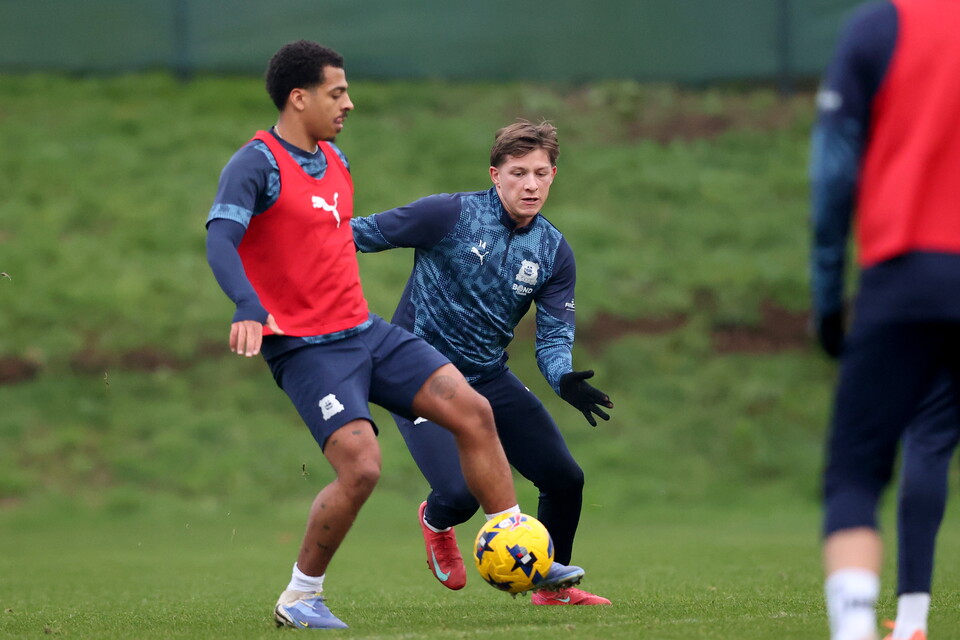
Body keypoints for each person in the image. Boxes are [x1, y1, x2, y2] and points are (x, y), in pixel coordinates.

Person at [204, 40, 525, 629]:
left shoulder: (336, 160)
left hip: (365, 332)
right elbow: (221, 240)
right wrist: (247, 304)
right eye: (337, 92)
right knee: (362, 467)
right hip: (306, 348)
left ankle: (519, 546)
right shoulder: (256, 163)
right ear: (298, 98)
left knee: (475, 412)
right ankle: (300, 597)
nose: (349, 103)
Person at [351, 119, 614, 605]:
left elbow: (555, 335)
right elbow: (355, 235)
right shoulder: (447, 215)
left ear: (554, 174)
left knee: (565, 478)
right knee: (460, 496)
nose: (530, 184)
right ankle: (435, 520)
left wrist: (562, 377)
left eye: (540, 173)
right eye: (518, 173)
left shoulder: (554, 252)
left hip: (485, 376)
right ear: (495, 174)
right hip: (415, 373)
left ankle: (548, 589)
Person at [809, 1, 960, 638]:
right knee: (932, 438)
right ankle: (914, 618)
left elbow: (834, 169)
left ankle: (860, 629)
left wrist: (827, 294)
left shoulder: (883, 25)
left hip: (908, 273)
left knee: (856, 471)